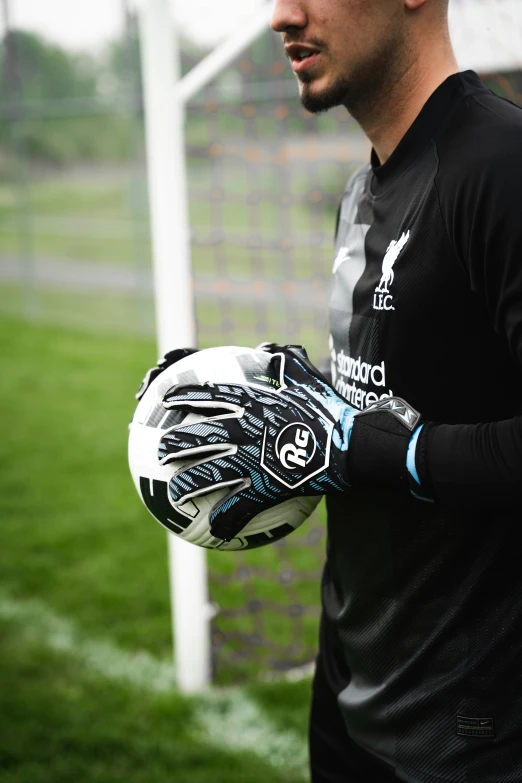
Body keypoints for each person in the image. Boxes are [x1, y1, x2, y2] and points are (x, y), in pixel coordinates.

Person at [138, 1, 522, 780]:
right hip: (352, 685)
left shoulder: (502, 169)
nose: (282, 15)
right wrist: (258, 395)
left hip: (470, 732)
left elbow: (385, 443)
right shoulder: (362, 188)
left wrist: (396, 453)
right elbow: (394, 397)